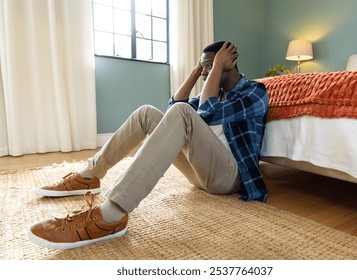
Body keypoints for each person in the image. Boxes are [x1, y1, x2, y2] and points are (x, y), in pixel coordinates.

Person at [27, 41, 269, 250]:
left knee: (185, 112)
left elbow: (206, 112)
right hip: (200, 174)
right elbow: (174, 105)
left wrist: (215, 67)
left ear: (230, 62)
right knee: (148, 113)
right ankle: (89, 175)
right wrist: (197, 71)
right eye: (204, 67)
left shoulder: (254, 92)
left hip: (229, 178)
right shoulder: (213, 90)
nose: (206, 74)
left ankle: (111, 214)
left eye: (209, 66)